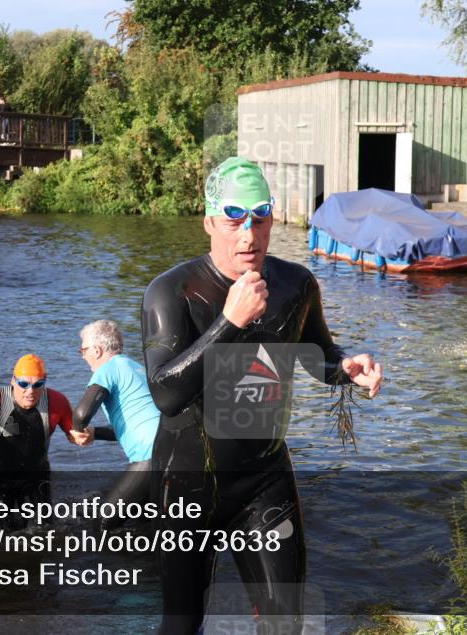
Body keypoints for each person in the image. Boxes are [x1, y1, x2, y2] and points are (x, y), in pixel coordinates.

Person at [141, 156, 383, 634]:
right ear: (210, 220)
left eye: (260, 216)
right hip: (187, 484)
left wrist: (345, 369)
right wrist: (230, 322)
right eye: (233, 217)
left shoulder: (295, 284)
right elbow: (165, 394)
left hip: (263, 478)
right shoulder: (171, 291)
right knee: (182, 623)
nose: (248, 235)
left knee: (285, 621)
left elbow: (318, 352)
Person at [0, 354, 74, 528]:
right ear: (13, 381)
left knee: (45, 529)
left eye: (38, 385)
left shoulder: (57, 402)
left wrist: (83, 436)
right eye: (23, 384)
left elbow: (75, 435)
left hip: (37, 475)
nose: (30, 391)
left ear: (45, 382)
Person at [70, 320, 161, 529]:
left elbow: (82, 413)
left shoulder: (108, 368)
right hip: (172, 450)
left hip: (149, 456)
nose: (83, 356)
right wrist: (95, 433)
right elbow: (130, 425)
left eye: (82, 350)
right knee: (146, 522)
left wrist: (78, 430)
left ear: (96, 350)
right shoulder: (137, 368)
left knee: (103, 523)